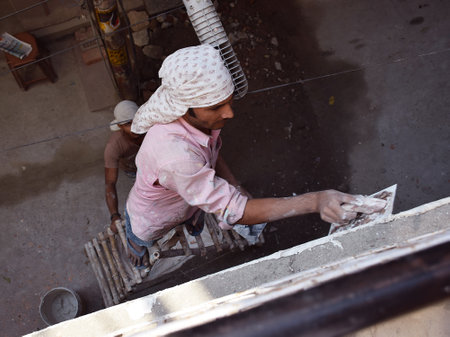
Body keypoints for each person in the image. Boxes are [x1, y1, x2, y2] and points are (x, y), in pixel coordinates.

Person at [125, 45, 386, 268]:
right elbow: (235, 211)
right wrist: (316, 201)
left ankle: (191, 221)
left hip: (186, 204)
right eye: (216, 107)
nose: (229, 113)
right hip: (153, 217)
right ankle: (135, 251)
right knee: (141, 239)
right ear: (184, 108)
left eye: (228, 101)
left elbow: (210, 154)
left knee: (194, 219)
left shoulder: (198, 127)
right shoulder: (176, 157)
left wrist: (234, 185)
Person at [104, 100, 144, 232]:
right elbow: (110, 183)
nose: (134, 127)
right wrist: (114, 216)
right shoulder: (113, 146)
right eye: (128, 124)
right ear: (120, 126)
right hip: (133, 170)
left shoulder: (151, 127)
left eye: (136, 120)